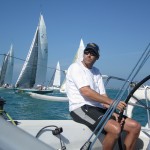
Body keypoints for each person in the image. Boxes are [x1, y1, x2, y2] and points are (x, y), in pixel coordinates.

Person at [66, 43, 141, 150]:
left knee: (135, 126)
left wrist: (112, 111)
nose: (88, 55)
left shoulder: (96, 72)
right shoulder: (75, 67)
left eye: (92, 53)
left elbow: (102, 96)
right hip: (80, 108)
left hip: (98, 109)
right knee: (115, 129)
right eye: (87, 52)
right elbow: (86, 91)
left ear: (97, 57)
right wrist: (113, 102)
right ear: (83, 53)